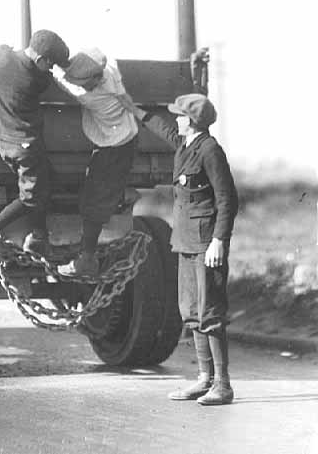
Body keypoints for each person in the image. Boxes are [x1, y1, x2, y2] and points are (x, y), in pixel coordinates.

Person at [117, 92, 239, 405]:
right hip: (185, 239)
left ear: (193, 121)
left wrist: (219, 240)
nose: (176, 120)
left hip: (205, 243)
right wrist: (134, 107)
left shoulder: (210, 151)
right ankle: (204, 378)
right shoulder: (187, 144)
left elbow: (227, 199)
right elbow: (163, 129)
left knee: (209, 310)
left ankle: (222, 385)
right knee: (191, 310)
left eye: (180, 116)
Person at [0, 30, 70, 256]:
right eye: (51, 65)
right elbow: (47, 80)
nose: (51, 69)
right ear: (41, 60)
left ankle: (39, 235)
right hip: (25, 148)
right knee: (31, 198)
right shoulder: (35, 80)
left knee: (45, 180)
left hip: (4, 142)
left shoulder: (2, 55)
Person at [51, 48, 139, 277]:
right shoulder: (111, 72)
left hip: (114, 146)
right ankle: (86, 254)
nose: (86, 85)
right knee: (99, 196)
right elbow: (109, 57)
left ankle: (86, 259)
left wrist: (61, 66)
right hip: (126, 138)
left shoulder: (86, 96)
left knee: (95, 200)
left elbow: (58, 77)